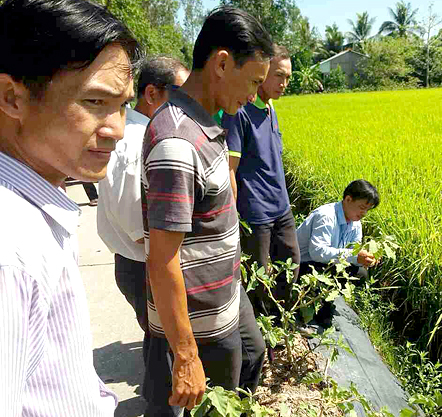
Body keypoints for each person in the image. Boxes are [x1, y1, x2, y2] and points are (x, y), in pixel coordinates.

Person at [0, 1, 142, 416]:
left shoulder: (37, 208)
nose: (117, 128)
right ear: (12, 97)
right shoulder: (11, 247)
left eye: (122, 105)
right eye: (95, 101)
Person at [141, 7, 274, 416]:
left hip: (224, 300)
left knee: (252, 356)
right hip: (201, 326)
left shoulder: (206, 123)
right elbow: (162, 259)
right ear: (221, 63)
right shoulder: (178, 144)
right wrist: (186, 355)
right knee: (210, 405)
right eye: (253, 80)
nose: (254, 95)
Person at [97, 56, 190, 333]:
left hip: (145, 263)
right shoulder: (135, 141)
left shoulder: (148, 132)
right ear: (151, 94)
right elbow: (136, 226)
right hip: (143, 266)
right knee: (163, 347)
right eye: (180, 95)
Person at [222, 45, 299, 316]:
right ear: (263, 71)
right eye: (279, 75)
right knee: (260, 279)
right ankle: (264, 335)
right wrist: (232, 215)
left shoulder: (270, 109)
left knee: (291, 266)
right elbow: (230, 168)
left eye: (288, 77)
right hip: (256, 214)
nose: (284, 83)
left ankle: (283, 324)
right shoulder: (239, 111)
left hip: (282, 207)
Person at [296, 179, 381, 281]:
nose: (364, 213)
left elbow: (353, 251)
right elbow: (317, 252)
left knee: (361, 273)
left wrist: (366, 258)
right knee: (337, 283)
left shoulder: (356, 223)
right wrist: (355, 257)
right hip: (302, 263)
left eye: (367, 210)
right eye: (362, 207)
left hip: (326, 263)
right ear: (348, 199)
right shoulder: (326, 216)